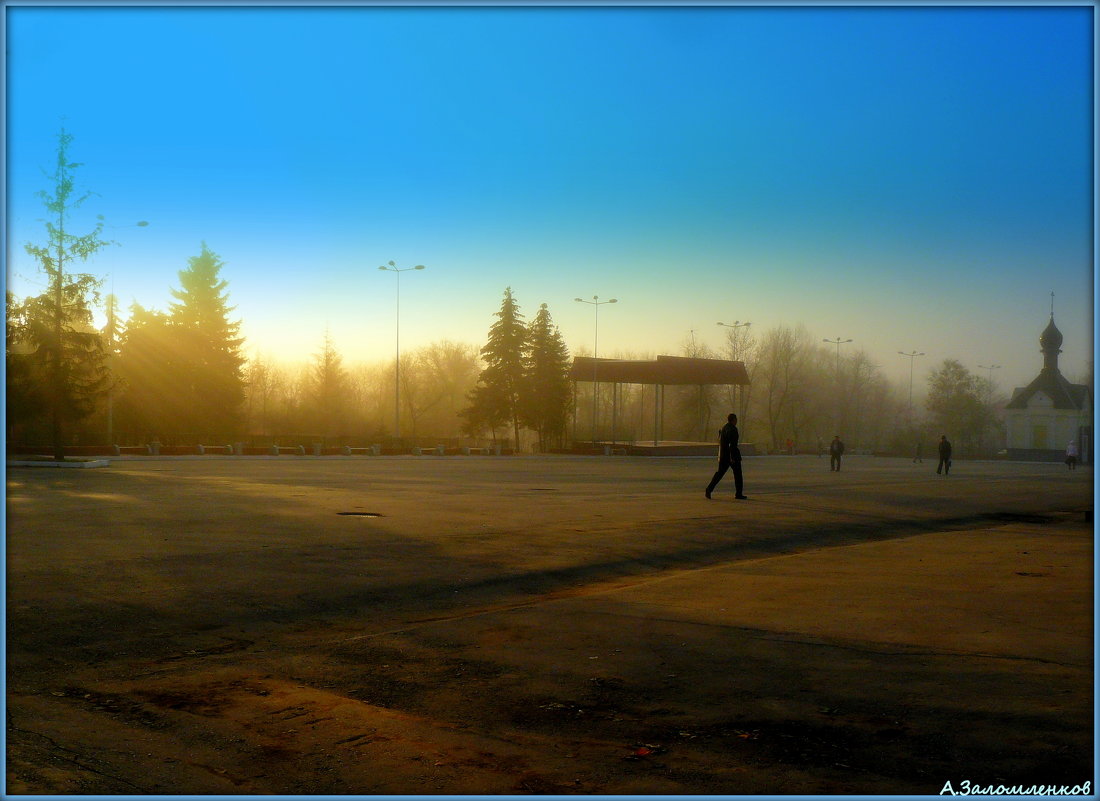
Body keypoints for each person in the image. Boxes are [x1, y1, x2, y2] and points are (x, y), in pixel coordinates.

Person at [705, 413, 746, 500]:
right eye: (736, 419)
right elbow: (732, 445)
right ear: (733, 420)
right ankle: (739, 493)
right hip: (732, 456)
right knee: (738, 474)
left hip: (724, 455)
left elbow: (720, 442)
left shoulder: (724, 428)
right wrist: (733, 457)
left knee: (719, 473)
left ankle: (709, 489)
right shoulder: (733, 429)